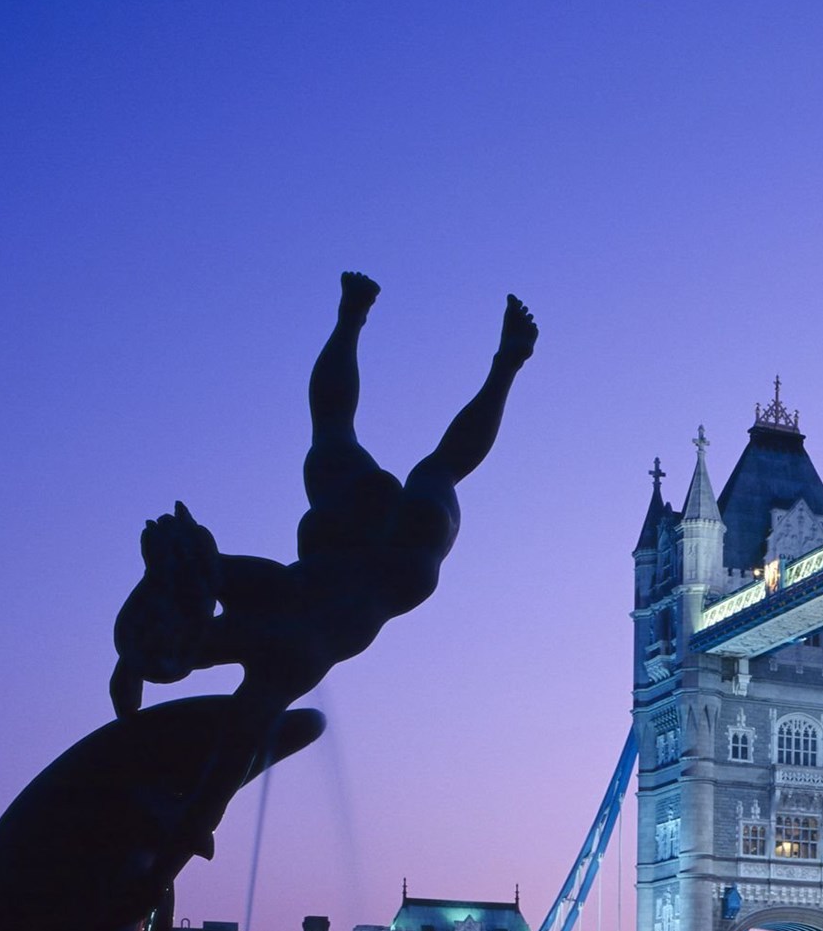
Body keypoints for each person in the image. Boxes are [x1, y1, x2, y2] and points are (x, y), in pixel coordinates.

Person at [110, 271, 538, 856]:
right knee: (409, 458)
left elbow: (222, 747)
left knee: (379, 447)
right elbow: (218, 742)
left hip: (353, 548)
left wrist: (137, 726)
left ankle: (387, 326)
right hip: (389, 557)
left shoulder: (268, 638)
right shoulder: (268, 628)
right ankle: (448, 345)